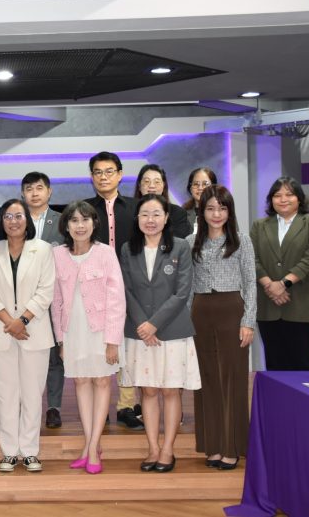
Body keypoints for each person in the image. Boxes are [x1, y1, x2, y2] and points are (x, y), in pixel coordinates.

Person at [120, 195, 201, 474]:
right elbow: (125, 290)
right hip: (139, 331)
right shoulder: (128, 249)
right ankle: (153, 448)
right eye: (145, 214)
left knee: (170, 390)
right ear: (137, 219)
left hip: (172, 330)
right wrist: (144, 324)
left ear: (166, 218)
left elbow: (182, 292)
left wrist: (154, 324)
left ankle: (168, 449)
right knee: (149, 390)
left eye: (156, 214)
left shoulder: (180, 246)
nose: (150, 220)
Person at [0, 199, 55, 473]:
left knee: (32, 394)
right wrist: (9, 322)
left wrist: (22, 321)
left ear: (28, 220)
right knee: (5, 395)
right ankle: (10, 452)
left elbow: (46, 291)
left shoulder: (43, 249)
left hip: (34, 331)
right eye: (8, 216)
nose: (13, 221)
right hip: (2, 331)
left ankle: (30, 452)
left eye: (18, 216)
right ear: (1, 221)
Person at [51, 201, 126, 475]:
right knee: (81, 382)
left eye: (85, 220)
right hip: (73, 331)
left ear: (94, 223)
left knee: (102, 381)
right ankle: (89, 444)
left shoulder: (105, 253)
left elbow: (117, 299)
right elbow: (56, 301)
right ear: (66, 226)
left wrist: (113, 340)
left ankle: (93, 448)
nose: (80, 226)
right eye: (74, 220)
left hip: (101, 331)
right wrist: (61, 340)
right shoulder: (57, 255)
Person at [188, 185, 256, 471]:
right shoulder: (190, 241)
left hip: (232, 311)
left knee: (233, 378)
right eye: (211, 208)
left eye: (222, 208)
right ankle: (213, 445)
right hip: (200, 313)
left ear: (230, 211)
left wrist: (248, 321)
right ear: (202, 212)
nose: (216, 214)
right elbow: (187, 286)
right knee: (206, 380)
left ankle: (232, 447)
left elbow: (250, 282)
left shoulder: (242, 240)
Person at [84, 151, 143, 431]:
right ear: (91, 176)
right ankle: (100, 407)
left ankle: (126, 406)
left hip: (130, 285)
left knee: (126, 346)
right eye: (98, 172)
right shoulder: (84, 209)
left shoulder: (135, 208)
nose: (103, 177)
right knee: (98, 345)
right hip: (94, 287)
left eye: (109, 171)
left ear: (120, 174)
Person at [250, 177, 309, 370]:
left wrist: (283, 283)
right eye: (277, 195)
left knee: (300, 365)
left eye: (289, 194)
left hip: (300, 305)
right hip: (268, 305)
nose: (283, 199)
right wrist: (269, 285)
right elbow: (251, 258)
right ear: (271, 200)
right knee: (274, 365)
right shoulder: (259, 225)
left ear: (299, 199)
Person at [21, 172, 66, 429]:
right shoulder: (16, 220)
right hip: (22, 298)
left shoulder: (63, 221)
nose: (34, 193)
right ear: (23, 194)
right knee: (26, 354)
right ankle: (29, 405)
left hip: (55, 298)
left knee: (53, 357)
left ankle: (53, 407)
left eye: (39, 188)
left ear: (49, 192)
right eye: (29, 189)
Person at [134, 164, 192, 238]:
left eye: (157, 182)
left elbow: (178, 241)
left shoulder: (177, 213)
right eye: (147, 181)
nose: (152, 186)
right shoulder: (129, 211)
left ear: (163, 186)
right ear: (139, 185)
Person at [183, 167, 217, 235]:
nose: (200, 188)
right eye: (196, 184)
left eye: (205, 184)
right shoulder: (182, 213)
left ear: (213, 187)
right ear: (190, 189)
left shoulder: (223, 211)